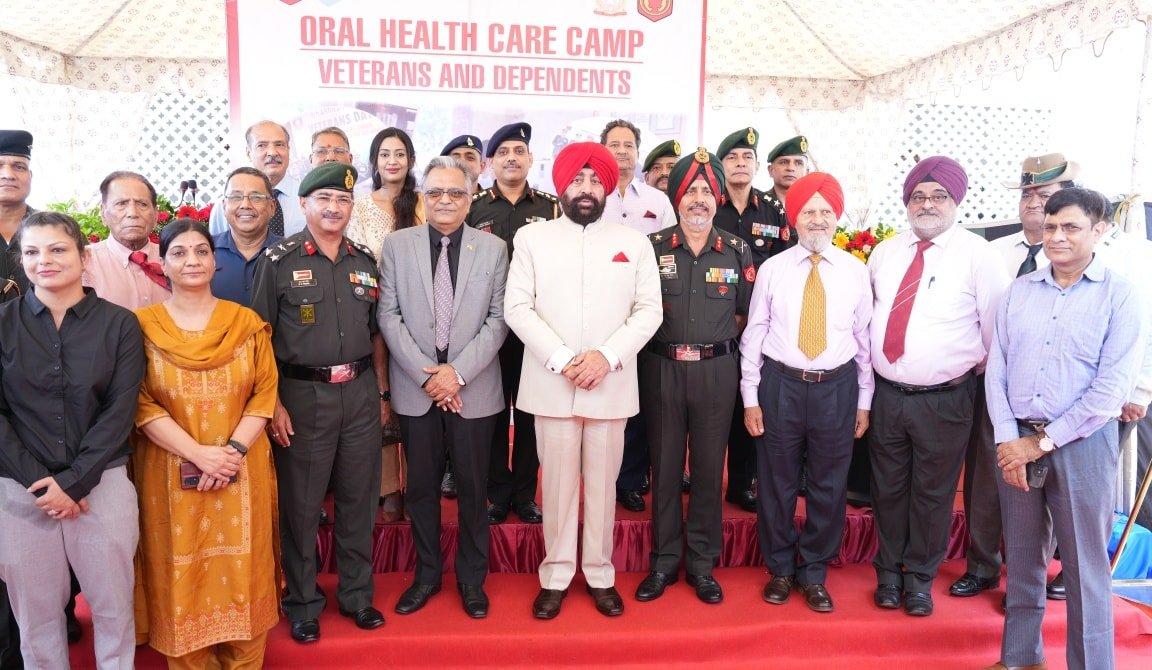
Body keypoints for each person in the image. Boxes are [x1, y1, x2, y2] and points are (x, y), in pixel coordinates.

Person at [984, 187, 1147, 670]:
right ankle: (1020, 659)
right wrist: (1008, 440)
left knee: (1083, 567)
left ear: (1099, 230)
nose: (1057, 236)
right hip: (1017, 441)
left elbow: (1110, 389)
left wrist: (1040, 443)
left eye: (1071, 227)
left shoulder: (1121, 295)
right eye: (1051, 226)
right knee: (1023, 559)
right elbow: (997, 371)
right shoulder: (1020, 292)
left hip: (1082, 444)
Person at [504, 142, 662, 619]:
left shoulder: (634, 243)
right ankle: (554, 575)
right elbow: (518, 308)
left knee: (602, 489)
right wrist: (563, 359)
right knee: (555, 490)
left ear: (608, 188)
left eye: (595, 181)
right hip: (551, 385)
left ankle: (599, 573)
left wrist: (605, 358)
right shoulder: (532, 239)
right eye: (578, 180)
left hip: (609, 386)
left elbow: (649, 311)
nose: (587, 189)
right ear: (562, 187)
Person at [250, 162, 389, 643]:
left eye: (343, 200)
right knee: (303, 505)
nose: (334, 208)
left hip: (360, 393)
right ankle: (303, 601)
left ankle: (356, 595)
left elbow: (376, 335)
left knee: (359, 499)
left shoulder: (364, 261)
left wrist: (382, 393)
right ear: (304, 204)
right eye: (324, 199)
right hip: (301, 396)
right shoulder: (278, 261)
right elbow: (259, 339)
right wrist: (271, 403)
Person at [133, 219, 280, 668]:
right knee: (180, 569)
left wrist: (231, 453)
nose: (192, 261)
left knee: (244, 569)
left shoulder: (245, 323)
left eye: (201, 251)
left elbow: (265, 393)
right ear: (162, 264)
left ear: (216, 262)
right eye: (179, 253)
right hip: (168, 473)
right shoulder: (140, 327)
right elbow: (139, 402)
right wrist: (198, 454)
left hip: (241, 469)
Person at [0, 211, 143, 669]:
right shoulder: (3, 323)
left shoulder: (120, 325)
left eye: (57, 249)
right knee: (36, 619)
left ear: (84, 257)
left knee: (113, 609)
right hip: (20, 491)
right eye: (32, 252)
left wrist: (75, 482)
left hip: (103, 485)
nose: (44, 260)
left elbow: (119, 412)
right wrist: (43, 485)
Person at [867, 156, 1009, 617]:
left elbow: (995, 335)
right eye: (918, 196)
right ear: (907, 202)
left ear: (955, 201)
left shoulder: (979, 256)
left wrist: (949, 372)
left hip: (946, 400)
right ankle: (888, 574)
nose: (927, 204)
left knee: (933, 494)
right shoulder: (885, 252)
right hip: (888, 394)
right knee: (887, 489)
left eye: (938, 196)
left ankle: (919, 579)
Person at [378, 156, 508, 619]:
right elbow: (388, 316)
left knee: (473, 489)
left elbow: (499, 320)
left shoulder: (493, 249)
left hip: (474, 388)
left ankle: (472, 580)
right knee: (421, 489)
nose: (445, 201)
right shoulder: (397, 245)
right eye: (435, 192)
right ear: (423, 197)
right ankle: (427, 576)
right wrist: (429, 376)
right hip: (417, 389)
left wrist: (457, 373)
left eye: (455, 192)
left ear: (470, 199)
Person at [740, 172, 873, 613]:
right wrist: (751, 396)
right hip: (780, 386)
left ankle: (814, 571)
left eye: (825, 211)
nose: (817, 219)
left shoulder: (856, 271)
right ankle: (780, 568)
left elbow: (864, 340)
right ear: (795, 218)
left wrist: (864, 401)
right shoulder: (773, 270)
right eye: (809, 211)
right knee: (776, 482)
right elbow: (754, 334)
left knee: (829, 485)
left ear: (837, 217)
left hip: (837, 388)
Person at [952, 153, 1078, 603]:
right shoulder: (993, 251)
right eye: (1027, 194)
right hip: (994, 384)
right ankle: (983, 566)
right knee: (986, 481)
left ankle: (1029, 579)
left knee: (1044, 488)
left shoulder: (1079, 257)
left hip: (1055, 394)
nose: (1033, 202)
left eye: (1044, 195)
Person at [635, 148, 754, 605]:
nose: (699, 199)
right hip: (662, 369)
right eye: (690, 191)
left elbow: (744, 315)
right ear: (677, 198)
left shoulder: (737, 250)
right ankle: (664, 561)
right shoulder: (652, 248)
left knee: (707, 471)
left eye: (707, 190)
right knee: (665, 468)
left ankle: (702, 564)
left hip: (716, 373)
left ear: (718, 197)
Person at [468, 122, 559, 526]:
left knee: (528, 415)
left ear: (530, 159)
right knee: (489, 414)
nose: (511, 158)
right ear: (490, 163)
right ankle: (497, 494)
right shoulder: (474, 207)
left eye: (519, 151)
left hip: (534, 330)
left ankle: (524, 494)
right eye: (503, 152)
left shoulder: (551, 208)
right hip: (486, 328)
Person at [715, 128, 804, 512]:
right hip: (715, 325)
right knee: (711, 408)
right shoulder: (708, 204)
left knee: (750, 405)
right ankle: (701, 479)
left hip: (760, 327)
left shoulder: (773, 210)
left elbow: (788, 265)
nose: (740, 163)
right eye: (732, 157)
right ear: (721, 165)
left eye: (747, 157)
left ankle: (741, 483)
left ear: (756, 165)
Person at [346, 127, 424, 523]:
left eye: (399, 154)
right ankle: (390, 488)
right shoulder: (360, 207)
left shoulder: (425, 202)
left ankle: (421, 485)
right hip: (375, 316)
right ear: (374, 162)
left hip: (422, 318)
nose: (392, 161)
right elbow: (357, 260)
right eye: (384, 154)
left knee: (419, 404)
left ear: (411, 160)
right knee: (382, 399)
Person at [598, 119, 676, 513]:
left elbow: (673, 252)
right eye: (614, 144)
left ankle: (629, 479)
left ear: (637, 152)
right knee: (604, 400)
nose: (622, 151)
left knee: (641, 401)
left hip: (647, 313)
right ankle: (599, 479)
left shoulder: (658, 201)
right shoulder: (591, 195)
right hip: (600, 311)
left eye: (628, 145)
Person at [83, 171, 171, 310]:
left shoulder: (173, 257)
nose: (133, 213)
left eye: (142, 204)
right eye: (121, 204)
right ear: (103, 214)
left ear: (155, 215)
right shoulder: (83, 262)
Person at [209, 121, 305, 237]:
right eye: (262, 145)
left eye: (279, 145)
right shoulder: (228, 203)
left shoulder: (309, 198)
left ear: (288, 150)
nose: (272, 153)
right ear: (248, 153)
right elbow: (217, 245)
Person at [211, 167, 282, 306]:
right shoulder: (205, 251)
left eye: (256, 197)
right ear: (224, 206)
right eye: (236, 197)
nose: (245, 205)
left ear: (272, 207)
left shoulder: (290, 254)